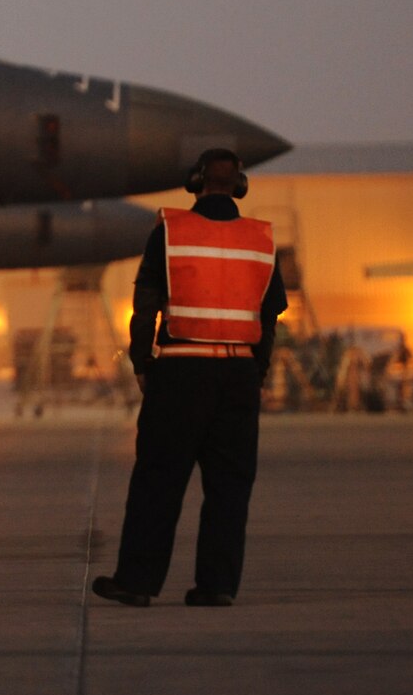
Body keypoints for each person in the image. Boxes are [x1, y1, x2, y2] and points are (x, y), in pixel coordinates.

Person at [92, 148, 285, 608]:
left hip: (181, 371)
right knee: (230, 487)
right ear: (240, 184)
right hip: (237, 373)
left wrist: (142, 363)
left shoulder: (171, 232)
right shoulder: (260, 240)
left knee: (159, 481)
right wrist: (254, 370)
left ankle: (138, 582)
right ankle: (217, 586)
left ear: (195, 182)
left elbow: (146, 306)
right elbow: (270, 315)